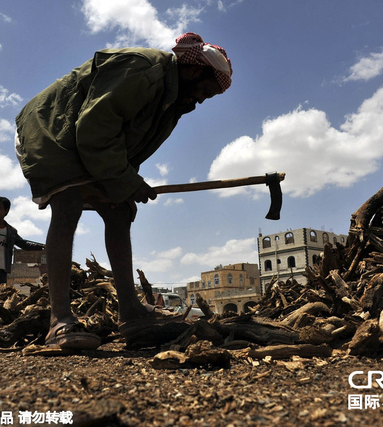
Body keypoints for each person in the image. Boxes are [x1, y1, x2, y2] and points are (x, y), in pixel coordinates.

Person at [14, 32, 232, 349]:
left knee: (120, 210)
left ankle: (130, 311)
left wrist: (125, 186)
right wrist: (126, 181)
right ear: (195, 70)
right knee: (68, 202)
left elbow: (130, 146)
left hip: (89, 137)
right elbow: (94, 128)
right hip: (52, 126)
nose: (201, 99)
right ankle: (59, 320)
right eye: (205, 91)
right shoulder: (143, 69)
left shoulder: (174, 102)